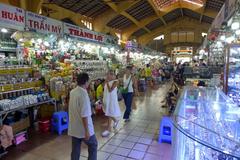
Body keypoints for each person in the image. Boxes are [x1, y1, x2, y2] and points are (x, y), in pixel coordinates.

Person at [68, 73, 98, 160]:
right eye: (88, 81)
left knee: (75, 149)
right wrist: (87, 131)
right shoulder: (83, 94)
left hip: (74, 126)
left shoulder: (73, 92)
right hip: (83, 128)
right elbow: (84, 115)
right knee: (93, 145)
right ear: (86, 82)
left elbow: (76, 108)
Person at [102, 71, 121, 137]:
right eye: (106, 75)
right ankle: (115, 121)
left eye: (108, 75)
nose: (107, 76)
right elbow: (104, 90)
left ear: (112, 75)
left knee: (109, 113)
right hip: (106, 99)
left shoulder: (116, 81)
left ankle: (108, 129)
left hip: (111, 100)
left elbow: (110, 90)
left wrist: (107, 82)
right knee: (108, 113)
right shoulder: (107, 81)